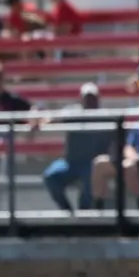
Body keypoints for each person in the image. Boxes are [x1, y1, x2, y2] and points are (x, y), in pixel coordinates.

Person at [41, 84, 114, 213]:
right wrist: (43, 121)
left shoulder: (105, 116)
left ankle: (84, 213)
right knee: (50, 176)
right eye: (87, 97)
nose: (90, 101)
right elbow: (53, 119)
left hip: (92, 163)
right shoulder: (72, 112)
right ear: (81, 98)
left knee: (90, 176)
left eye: (93, 97)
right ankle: (66, 211)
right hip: (71, 162)